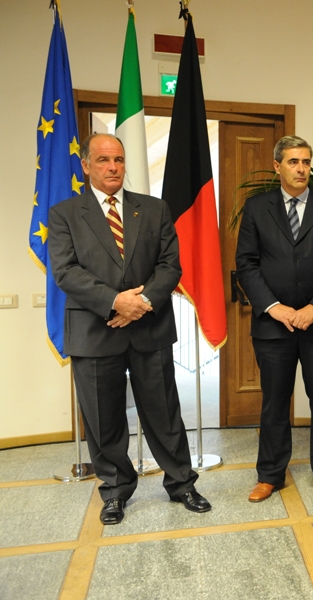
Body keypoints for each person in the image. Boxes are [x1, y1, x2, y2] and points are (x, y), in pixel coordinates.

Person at [48, 133, 211, 525]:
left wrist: (141, 303)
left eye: (118, 160)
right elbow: (66, 272)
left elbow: (170, 265)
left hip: (149, 327)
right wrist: (115, 301)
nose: (113, 167)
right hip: (94, 330)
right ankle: (115, 491)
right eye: (103, 160)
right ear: (86, 165)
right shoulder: (64, 213)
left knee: (164, 413)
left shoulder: (154, 209)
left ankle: (182, 484)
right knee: (103, 419)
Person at [235, 136, 313, 503]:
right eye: (293, 162)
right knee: (274, 403)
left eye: (306, 162)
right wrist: (274, 307)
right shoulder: (257, 208)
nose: (301, 169)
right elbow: (246, 264)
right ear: (277, 166)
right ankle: (270, 475)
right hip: (273, 326)